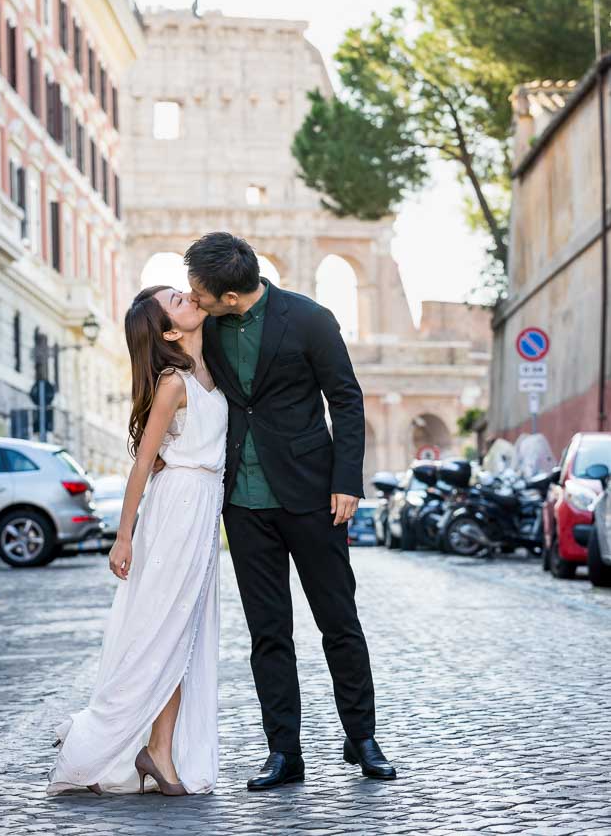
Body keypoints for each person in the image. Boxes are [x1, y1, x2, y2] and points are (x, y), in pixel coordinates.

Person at [184, 231, 397, 791]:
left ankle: (363, 736)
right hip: (243, 503)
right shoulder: (203, 327)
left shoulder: (309, 318)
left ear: (230, 294)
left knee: (339, 623)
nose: (194, 297)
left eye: (200, 290)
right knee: (268, 633)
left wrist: (347, 480)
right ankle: (284, 752)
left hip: (313, 498)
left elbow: (346, 400)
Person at [46, 285, 227, 796]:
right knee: (162, 632)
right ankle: (126, 745)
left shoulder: (211, 370)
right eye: (178, 300)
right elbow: (143, 464)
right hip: (175, 510)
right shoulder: (173, 382)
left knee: (183, 635)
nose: (190, 298)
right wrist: (123, 538)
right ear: (170, 331)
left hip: (202, 509)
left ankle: (161, 750)